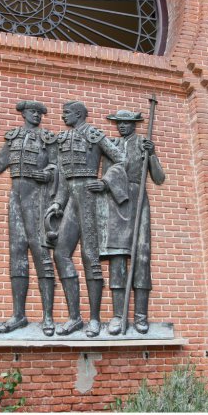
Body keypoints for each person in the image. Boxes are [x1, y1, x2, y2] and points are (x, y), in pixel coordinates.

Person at [0, 101, 59, 336]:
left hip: (37, 198)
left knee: (41, 252)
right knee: (17, 252)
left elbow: (58, 168)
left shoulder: (48, 138)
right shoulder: (13, 138)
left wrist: (46, 174)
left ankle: (48, 316)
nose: (36, 115)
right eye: (32, 112)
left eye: (39, 112)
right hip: (16, 196)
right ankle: (19, 314)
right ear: (24, 113)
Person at [45, 101, 128, 337]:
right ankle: (74, 317)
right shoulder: (63, 139)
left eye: (67, 112)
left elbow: (119, 158)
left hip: (89, 197)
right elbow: (63, 176)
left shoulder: (94, 135)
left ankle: (94, 319)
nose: (63, 116)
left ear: (79, 114)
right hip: (70, 196)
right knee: (60, 253)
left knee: (90, 256)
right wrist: (57, 203)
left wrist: (105, 182)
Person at [99, 110, 165, 334]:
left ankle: (140, 316)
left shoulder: (143, 144)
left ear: (134, 124)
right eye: (119, 123)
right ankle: (118, 316)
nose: (122, 127)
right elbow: (105, 175)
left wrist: (153, 155)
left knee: (142, 256)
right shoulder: (112, 145)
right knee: (117, 257)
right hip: (116, 202)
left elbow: (159, 178)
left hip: (137, 199)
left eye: (127, 123)